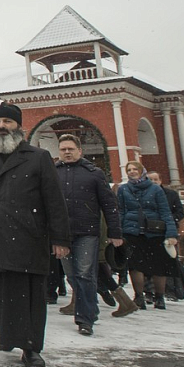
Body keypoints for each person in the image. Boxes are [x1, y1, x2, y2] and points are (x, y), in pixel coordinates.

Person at [0, 104, 70, 367]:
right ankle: (9, 338)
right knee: (2, 292)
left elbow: (54, 200)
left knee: (30, 295)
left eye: (7, 122)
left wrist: (60, 238)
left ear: (18, 126)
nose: (2, 126)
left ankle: (31, 348)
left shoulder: (38, 157)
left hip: (29, 236)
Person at [53, 134, 123, 336]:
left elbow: (109, 204)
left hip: (87, 231)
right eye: (63, 149)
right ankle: (89, 306)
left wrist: (115, 231)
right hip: (62, 233)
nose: (67, 152)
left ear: (79, 151)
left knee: (85, 273)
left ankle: (85, 318)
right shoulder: (53, 173)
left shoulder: (93, 173)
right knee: (71, 274)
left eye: (70, 149)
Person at [117, 161, 179, 310]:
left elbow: (165, 212)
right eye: (129, 170)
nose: (132, 172)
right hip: (132, 231)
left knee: (159, 266)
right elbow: (120, 211)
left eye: (135, 169)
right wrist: (118, 231)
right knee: (135, 266)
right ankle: (139, 297)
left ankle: (159, 297)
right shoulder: (123, 189)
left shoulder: (155, 189)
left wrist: (171, 233)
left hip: (154, 231)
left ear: (141, 171)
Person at [149, 171, 184, 301]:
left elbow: (179, 213)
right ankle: (152, 291)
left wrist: (166, 220)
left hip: (168, 231)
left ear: (160, 180)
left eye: (155, 179)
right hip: (151, 232)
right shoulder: (144, 195)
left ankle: (173, 290)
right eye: (150, 179)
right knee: (151, 262)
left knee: (170, 261)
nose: (153, 182)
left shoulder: (171, 194)